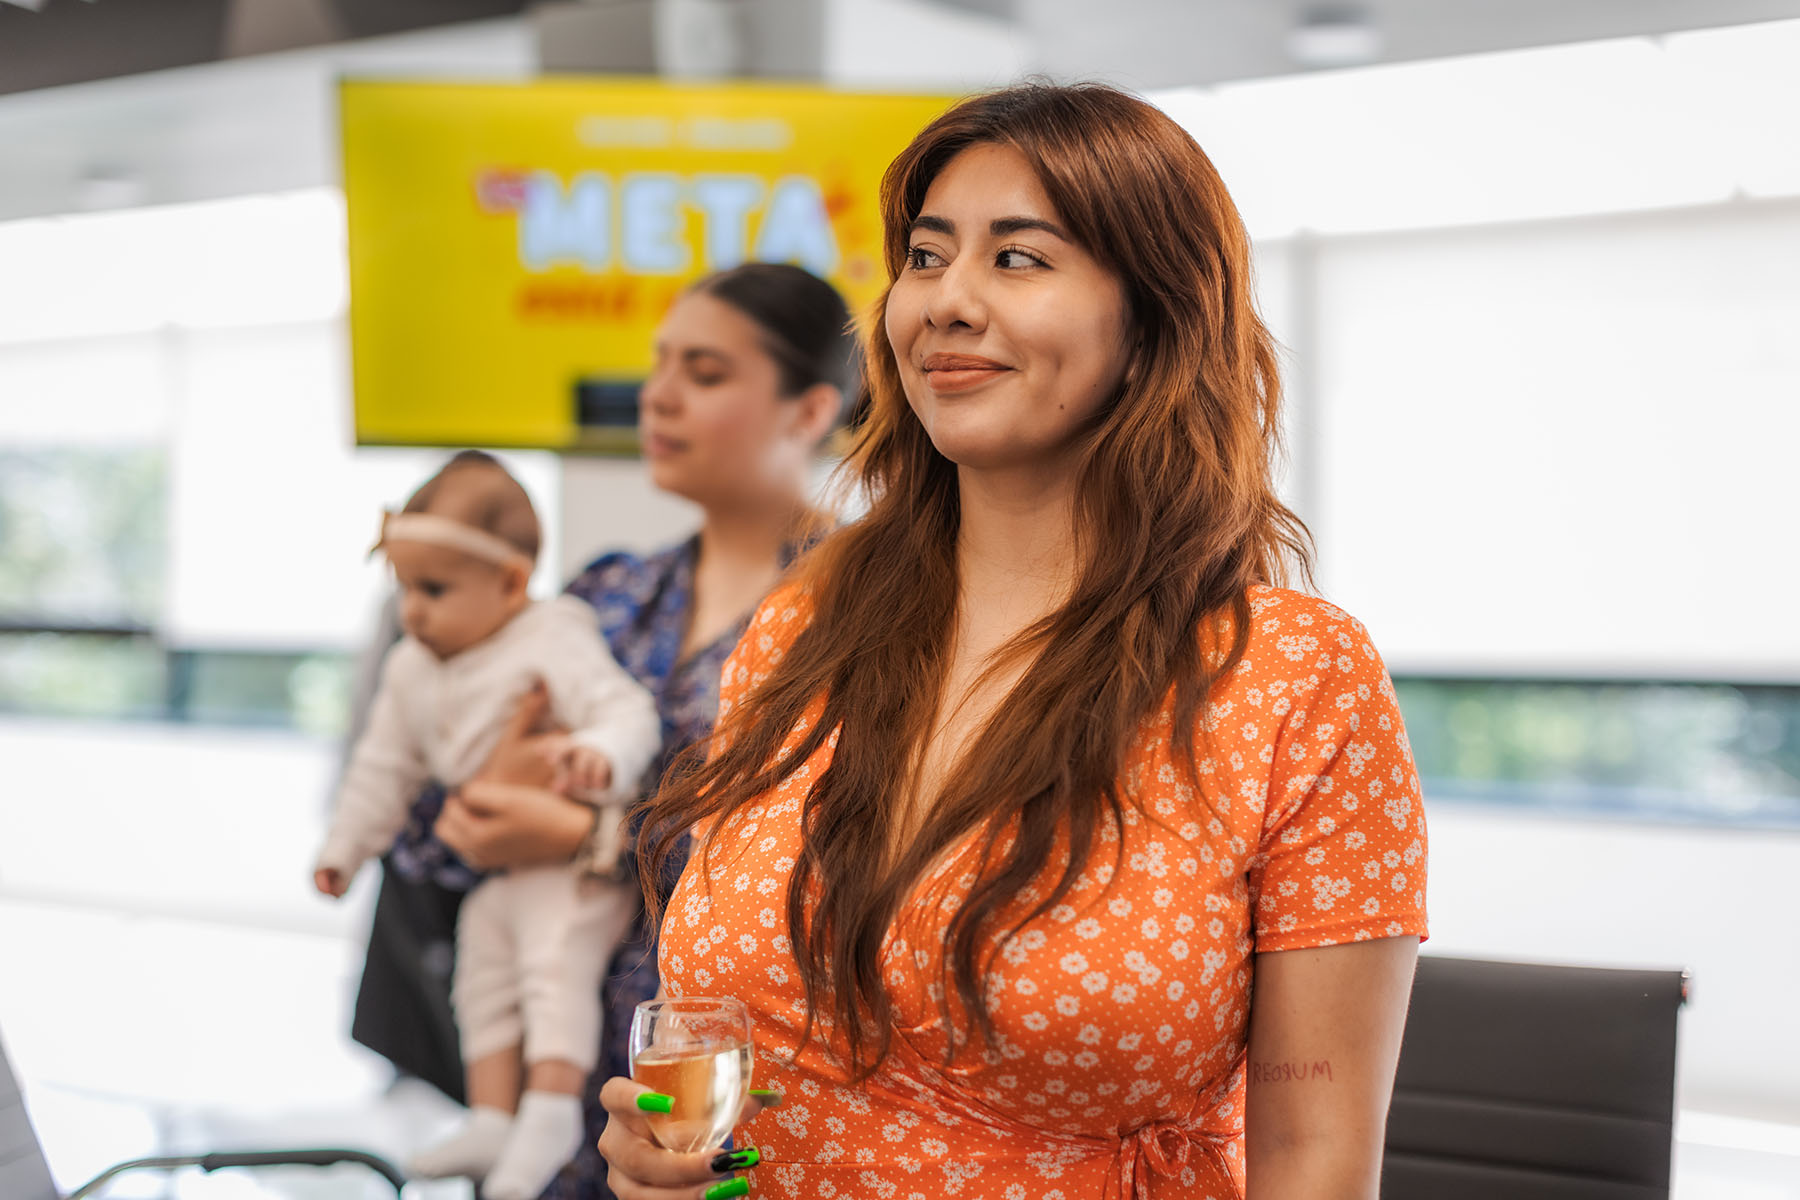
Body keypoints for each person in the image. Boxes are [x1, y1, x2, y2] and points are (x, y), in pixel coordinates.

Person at [601, 83, 1430, 1200]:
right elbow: (738, 1069)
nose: (946, 301)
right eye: (928, 257)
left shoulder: (1293, 680)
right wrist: (668, 1165)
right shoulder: (810, 620)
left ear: (1155, 319)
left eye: (1019, 259)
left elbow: (1313, 1164)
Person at [347, 262, 857, 1200]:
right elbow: (433, 821)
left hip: (727, 1092)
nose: (657, 396)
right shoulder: (606, 593)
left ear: (808, 407)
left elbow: (836, 871)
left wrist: (590, 839)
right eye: (659, 365)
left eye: (704, 374)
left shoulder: (862, 615)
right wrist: (477, 805)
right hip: (545, 1075)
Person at [314, 451, 662, 1199]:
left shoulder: (552, 635)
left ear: (510, 583)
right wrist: (345, 848)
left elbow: (624, 710)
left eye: (433, 589)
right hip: (503, 871)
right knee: (481, 972)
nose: (412, 611)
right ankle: (493, 1113)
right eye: (404, 587)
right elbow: (383, 771)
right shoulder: (414, 667)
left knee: (550, 969)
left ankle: (548, 1113)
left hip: (576, 874)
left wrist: (597, 756)